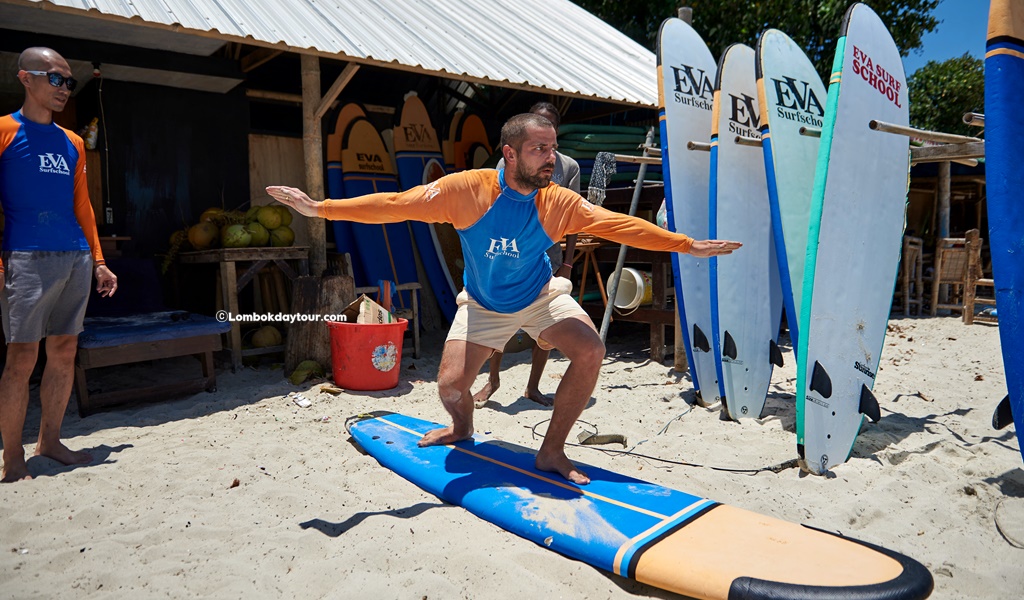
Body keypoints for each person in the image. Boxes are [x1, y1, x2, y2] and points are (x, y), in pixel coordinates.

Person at [268, 113, 739, 485]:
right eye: (539, 149)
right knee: (450, 389)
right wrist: (320, 208)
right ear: (510, 153)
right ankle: (462, 428)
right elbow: (396, 205)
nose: (550, 158)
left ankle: (552, 449)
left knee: (591, 349)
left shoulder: (558, 202)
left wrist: (686, 244)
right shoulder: (465, 191)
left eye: (553, 148)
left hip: (538, 296)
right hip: (483, 303)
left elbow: (619, 225)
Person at [0, 47, 118, 482]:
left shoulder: (71, 143)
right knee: (20, 358)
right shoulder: (4, 132)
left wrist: (99, 261)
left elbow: (82, 206)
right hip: (25, 258)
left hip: (75, 258)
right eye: (55, 78)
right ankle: (12, 457)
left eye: (69, 81)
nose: (64, 88)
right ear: (25, 78)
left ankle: (49, 441)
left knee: (65, 351)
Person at [476, 102, 580, 408]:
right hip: (512, 253)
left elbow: (573, 217)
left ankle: (533, 387)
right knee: (501, 316)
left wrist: (569, 263)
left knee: (546, 324)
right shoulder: (506, 162)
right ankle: (493, 379)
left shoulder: (568, 168)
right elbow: (495, 209)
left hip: (549, 255)